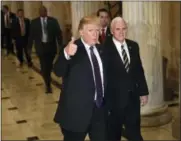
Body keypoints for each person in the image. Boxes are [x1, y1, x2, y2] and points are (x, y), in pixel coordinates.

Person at [53, 15, 107, 141]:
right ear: (81, 32)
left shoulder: (101, 49)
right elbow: (57, 71)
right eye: (90, 30)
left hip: (99, 112)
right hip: (76, 114)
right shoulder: (73, 48)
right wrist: (66, 54)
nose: (95, 34)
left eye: (97, 30)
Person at [103, 17, 149, 141]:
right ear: (112, 31)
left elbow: (139, 70)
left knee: (135, 135)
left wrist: (144, 92)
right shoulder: (104, 48)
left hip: (132, 100)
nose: (121, 32)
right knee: (113, 135)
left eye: (124, 29)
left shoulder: (133, 46)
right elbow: (103, 76)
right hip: (114, 102)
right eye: (118, 29)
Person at [27, 6, 63, 93]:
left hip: (51, 47)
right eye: (41, 11)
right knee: (44, 67)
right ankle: (48, 85)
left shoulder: (53, 21)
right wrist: (29, 47)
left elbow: (58, 34)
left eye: (44, 11)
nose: (42, 12)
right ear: (39, 12)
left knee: (49, 66)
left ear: (46, 12)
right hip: (40, 47)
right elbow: (31, 36)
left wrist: (60, 46)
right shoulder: (34, 22)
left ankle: (48, 76)